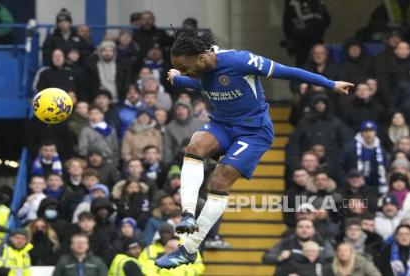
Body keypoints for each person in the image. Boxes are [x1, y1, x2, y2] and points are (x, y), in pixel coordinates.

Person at [155, 27, 352, 269]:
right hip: (222, 124)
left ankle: (189, 248)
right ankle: (187, 214)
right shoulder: (201, 71)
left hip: (254, 132)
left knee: (218, 182)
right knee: (194, 147)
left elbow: (287, 72)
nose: (187, 72)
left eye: (186, 67)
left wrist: (329, 83)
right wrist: (176, 77)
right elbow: (197, 83)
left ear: (202, 57)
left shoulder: (240, 60)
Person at [338, 121, 388, 194]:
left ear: (375, 133)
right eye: (365, 131)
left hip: (373, 188)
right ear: (361, 133)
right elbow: (339, 165)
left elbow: (385, 167)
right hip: (352, 188)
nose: (368, 134)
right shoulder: (350, 148)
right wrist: (346, 181)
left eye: (371, 131)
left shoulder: (381, 150)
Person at [282, 0, 330, 66]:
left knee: (318, 61)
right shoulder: (292, 2)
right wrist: (291, 37)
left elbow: (326, 18)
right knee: (302, 63)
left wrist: (318, 28)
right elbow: (287, 23)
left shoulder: (317, 2)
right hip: (300, 40)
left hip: (316, 38)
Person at [162, 100, 203, 165]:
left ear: (189, 110)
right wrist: (168, 163)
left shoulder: (199, 123)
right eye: (178, 109)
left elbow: (206, 143)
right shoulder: (170, 127)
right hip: (178, 160)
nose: (181, 111)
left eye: (184, 108)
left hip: (199, 159)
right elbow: (168, 146)